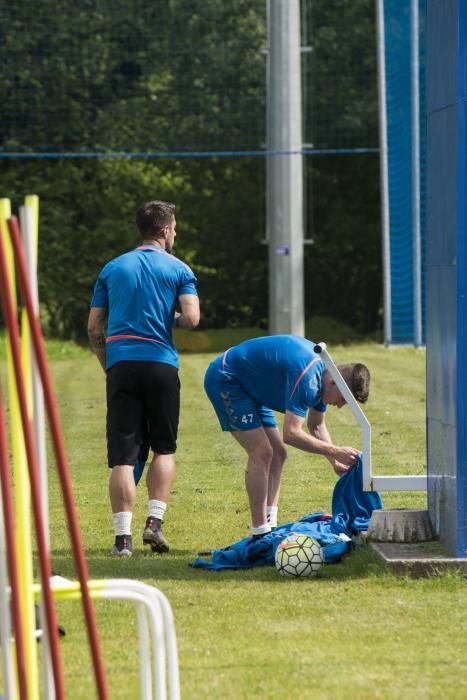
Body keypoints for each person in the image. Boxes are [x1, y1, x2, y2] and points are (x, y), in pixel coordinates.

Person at [87, 200, 200, 557]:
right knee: (163, 448)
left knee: (123, 456)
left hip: (121, 365)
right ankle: (154, 523)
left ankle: (122, 540)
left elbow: (94, 328)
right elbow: (192, 319)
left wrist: (109, 364)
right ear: (165, 230)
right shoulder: (179, 269)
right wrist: (173, 316)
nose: (175, 234)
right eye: (175, 229)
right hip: (160, 365)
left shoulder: (112, 267)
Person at [204, 335, 370, 538]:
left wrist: (334, 461)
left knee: (279, 454)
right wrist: (335, 450)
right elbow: (291, 434)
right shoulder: (309, 379)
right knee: (262, 452)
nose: (341, 406)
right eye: (345, 399)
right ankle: (260, 533)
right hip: (228, 378)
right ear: (334, 383)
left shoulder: (326, 374)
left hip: (251, 386)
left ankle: (270, 524)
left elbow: (316, 425)